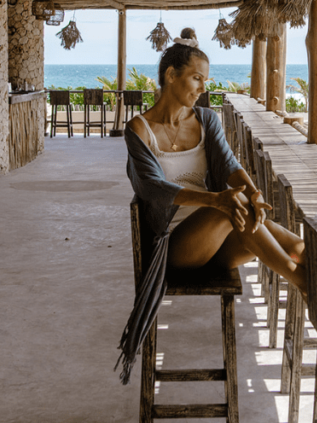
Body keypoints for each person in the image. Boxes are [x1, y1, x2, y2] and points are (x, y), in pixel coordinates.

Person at [125, 28, 306, 292]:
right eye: (197, 78)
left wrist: (254, 194)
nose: (203, 88)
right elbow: (151, 186)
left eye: (205, 80)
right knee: (230, 207)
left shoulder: (205, 120)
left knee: (297, 247)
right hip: (175, 246)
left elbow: (228, 164)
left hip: (218, 241)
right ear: (171, 75)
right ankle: (304, 284)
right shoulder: (139, 129)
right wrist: (215, 200)